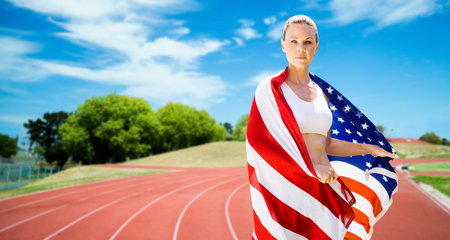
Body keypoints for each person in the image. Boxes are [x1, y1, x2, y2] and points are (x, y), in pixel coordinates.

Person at [246, 15, 397, 240]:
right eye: (294, 41)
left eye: (307, 42)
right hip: (289, 192)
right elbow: (262, 145)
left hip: (324, 190)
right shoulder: (270, 89)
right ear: (283, 45)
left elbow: (326, 143)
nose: (301, 48)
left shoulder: (323, 94)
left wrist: (369, 148)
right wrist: (312, 169)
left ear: (316, 46)